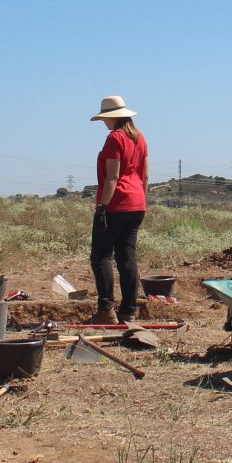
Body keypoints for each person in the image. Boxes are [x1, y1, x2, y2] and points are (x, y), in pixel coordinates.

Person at [89, 95, 149, 324]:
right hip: (137, 203)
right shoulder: (140, 137)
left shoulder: (115, 138)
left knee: (101, 256)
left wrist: (103, 206)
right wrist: (141, 199)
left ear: (111, 118)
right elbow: (145, 175)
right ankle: (129, 310)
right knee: (126, 257)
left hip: (117, 203)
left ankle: (106, 310)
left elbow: (112, 177)